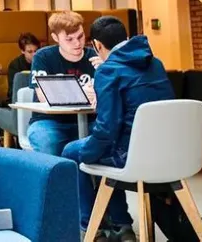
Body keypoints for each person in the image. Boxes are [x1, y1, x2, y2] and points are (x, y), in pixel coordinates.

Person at [62, 16, 170, 241]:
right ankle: (122, 225)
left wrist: (88, 154)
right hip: (166, 153)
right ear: (126, 38)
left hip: (129, 155)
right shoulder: (155, 63)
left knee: (73, 152)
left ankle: (91, 227)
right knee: (100, 149)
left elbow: (106, 129)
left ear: (97, 45)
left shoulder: (109, 71)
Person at [27, 11, 98, 157]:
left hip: (90, 121)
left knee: (114, 136)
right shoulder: (43, 57)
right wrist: (83, 92)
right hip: (50, 122)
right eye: (69, 39)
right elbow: (44, 96)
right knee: (46, 140)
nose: (77, 43)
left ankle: (92, 180)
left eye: (80, 36)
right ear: (55, 38)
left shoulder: (96, 57)